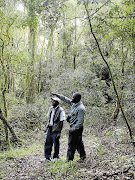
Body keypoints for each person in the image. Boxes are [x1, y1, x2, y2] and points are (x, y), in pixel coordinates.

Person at [51, 92, 86, 162]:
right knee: (79, 143)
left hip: (76, 128)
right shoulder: (74, 104)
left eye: (73, 98)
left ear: (77, 99)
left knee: (71, 144)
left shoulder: (81, 108)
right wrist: (56, 94)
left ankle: (69, 160)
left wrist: (72, 129)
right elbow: (65, 99)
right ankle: (83, 157)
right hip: (73, 126)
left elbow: (80, 122)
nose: (71, 99)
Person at [44, 97, 65, 161]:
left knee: (56, 143)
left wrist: (59, 132)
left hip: (56, 129)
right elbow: (49, 119)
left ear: (57, 103)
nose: (52, 102)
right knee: (47, 142)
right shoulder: (51, 109)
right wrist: (46, 127)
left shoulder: (61, 110)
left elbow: (61, 122)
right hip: (50, 128)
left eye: (54, 101)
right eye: (52, 101)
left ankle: (56, 157)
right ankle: (47, 157)